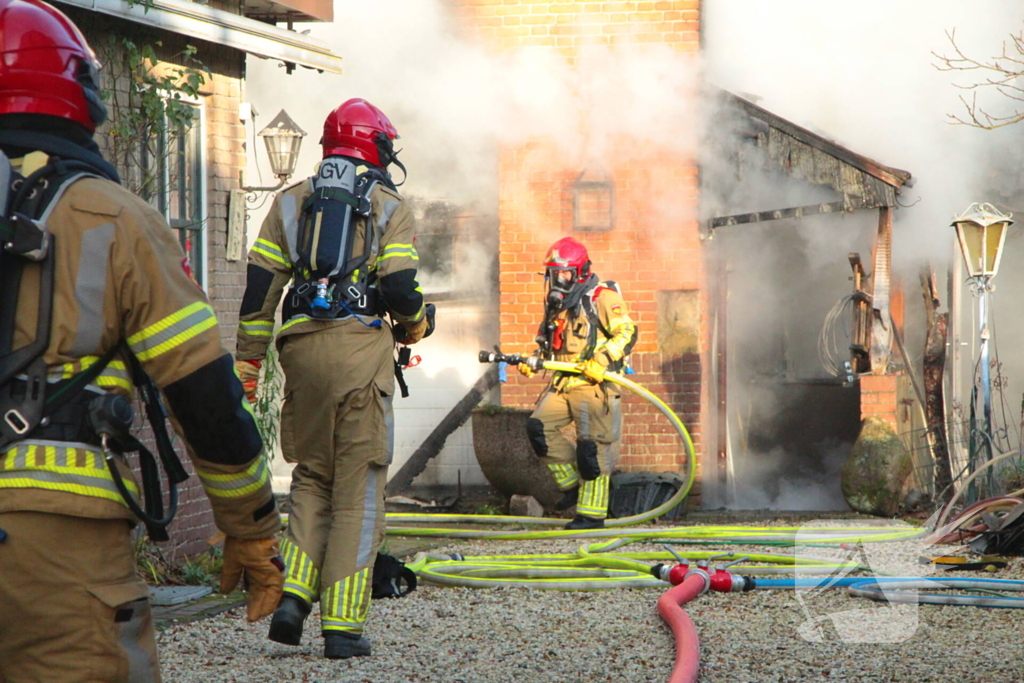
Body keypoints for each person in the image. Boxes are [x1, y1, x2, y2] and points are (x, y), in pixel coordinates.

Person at [0, 2, 284, 681]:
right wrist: (249, 527)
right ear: (78, 94)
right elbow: (204, 393)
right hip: (55, 546)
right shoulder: (113, 219)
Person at [236, 97, 427, 659]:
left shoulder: (289, 202)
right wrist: (415, 327)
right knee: (359, 489)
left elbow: (257, 292)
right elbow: (399, 289)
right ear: (376, 148)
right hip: (358, 356)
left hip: (300, 355)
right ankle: (342, 627)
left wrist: (248, 365)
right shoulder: (391, 207)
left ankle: (293, 597)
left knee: (312, 477)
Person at [519, 237, 638, 530]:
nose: (559, 280)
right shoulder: (558, 305)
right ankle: (571, 486)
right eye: (554, 274)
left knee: (591, 450)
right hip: (564, 382)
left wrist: (601, 359)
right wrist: (534, 360)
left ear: (581, 272)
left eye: (566, 274)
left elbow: (628, 332)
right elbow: (548, 341)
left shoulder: (601, 297)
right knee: (538, 427)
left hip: (594, 385)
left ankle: (591, 516)